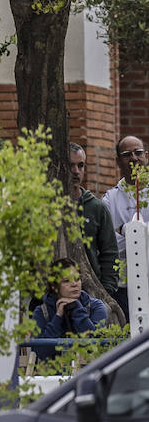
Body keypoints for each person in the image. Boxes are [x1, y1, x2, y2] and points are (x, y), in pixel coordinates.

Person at [102, 135, 147, 314]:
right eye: (127, 154)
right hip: (123, 285)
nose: (134, 158)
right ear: (118, 161)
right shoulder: (110, 199)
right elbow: (111, 244)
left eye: (138, 152)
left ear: (147, 156)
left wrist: (125, 229)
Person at [33, 258, 109, 361]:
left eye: (77, 279)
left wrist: (77, 308)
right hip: (53, 375)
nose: (74, 284)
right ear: (54, 287)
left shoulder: (96, 306)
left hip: (89, 371)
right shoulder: (41, 311)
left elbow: (94, 345)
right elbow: (42, 353)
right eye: (67, 281)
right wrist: (58, 317)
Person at [70, 143, 118, 297]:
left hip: (91, 291)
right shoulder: (45, 205)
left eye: (81, 165)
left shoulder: (97, 207)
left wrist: (106, 290)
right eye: (70, 165)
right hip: (53, 292)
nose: (76, 171)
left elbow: (109, 253)